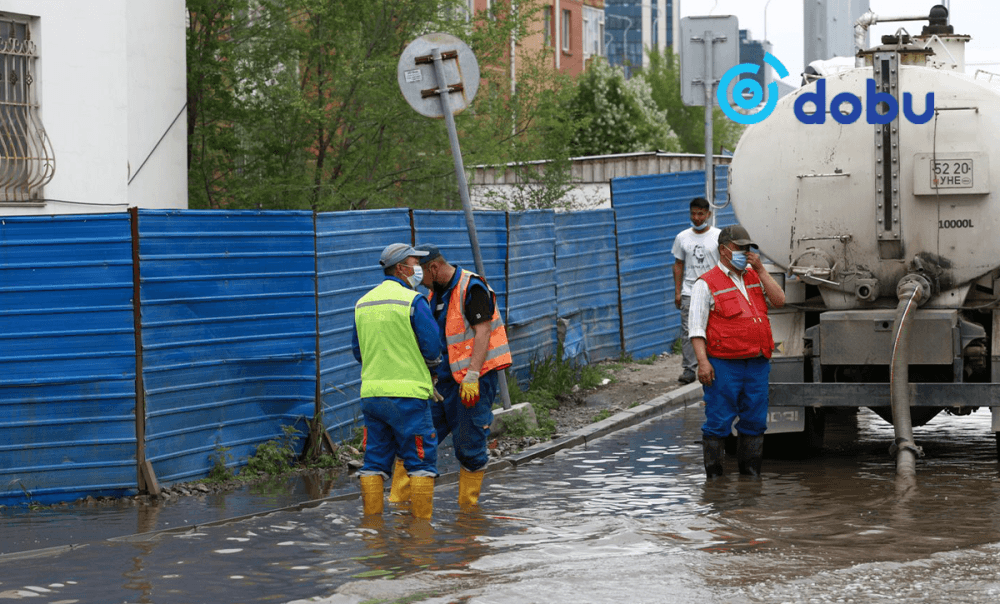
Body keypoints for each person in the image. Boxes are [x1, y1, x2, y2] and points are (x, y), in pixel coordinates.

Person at [388, 243, 512, 510]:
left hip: (471, 384)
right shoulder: (434, 296)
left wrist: (473, 375)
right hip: (441, 384)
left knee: (469, 446)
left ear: (433, 267)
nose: (417, 280)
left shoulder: (472, 287)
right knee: (415, 438)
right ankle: (399, 506)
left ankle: (468, 516)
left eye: (419, 272)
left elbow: (483, 332)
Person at [351, 243, 442, 520]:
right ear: (401, 268)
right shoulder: (413, 301)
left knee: (374, 462)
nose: (419, 269)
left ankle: (373, 532)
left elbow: (358, 351)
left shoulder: (363, 303)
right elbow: (432, 347)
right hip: (408, 397)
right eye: (415, 263)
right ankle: (421, 535)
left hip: (373, 395)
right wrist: (432, 370)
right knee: (421, 462)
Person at [689, 225, 785, 478]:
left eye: (748, 248)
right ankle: (715, 482)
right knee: (718, 422)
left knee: (755, 422)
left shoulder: (754, 277)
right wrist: (703, 363)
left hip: (756, 363)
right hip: (723, 366)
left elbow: (780, 300)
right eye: (740, 248)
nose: (746, 253)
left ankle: (750, 480)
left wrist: (762, 269)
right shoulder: (706, 283)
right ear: (724, 250)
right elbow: (696, 329)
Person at [671, 197, 721, 385]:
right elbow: (678, 265)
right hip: (689, 292)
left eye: (701, 214)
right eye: (693, 213)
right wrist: (678, 291)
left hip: (713, 291)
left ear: (708, 214)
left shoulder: (718, 236)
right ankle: (690, 369)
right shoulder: (682, 237)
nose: (697, 218)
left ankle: (713, 363)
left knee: (713, 328)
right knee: (688, 330)